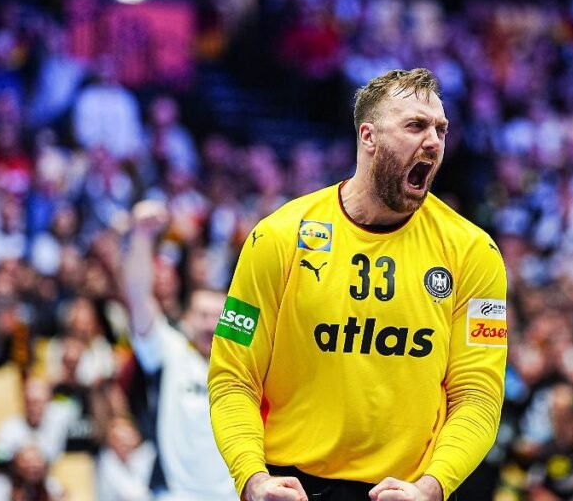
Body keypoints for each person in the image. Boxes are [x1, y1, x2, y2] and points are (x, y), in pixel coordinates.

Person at [208, 68, 508, 501]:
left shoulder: (473, 252)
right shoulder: (279, 236)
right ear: (368, 136)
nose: (433, 142)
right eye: (415, 126)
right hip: (292, 487)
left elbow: (477, 395)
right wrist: (252, 479)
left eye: (441, 129)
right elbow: (233, 378)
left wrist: (433, 486)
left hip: (406, 492)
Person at [122, 201, 233, 500]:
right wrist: (142, 237)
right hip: (174, 493)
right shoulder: (170, 351)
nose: (211, 324)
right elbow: (138, 296)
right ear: (187, 319)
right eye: (203, 316)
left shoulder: (243, 365)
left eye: (218, 316)